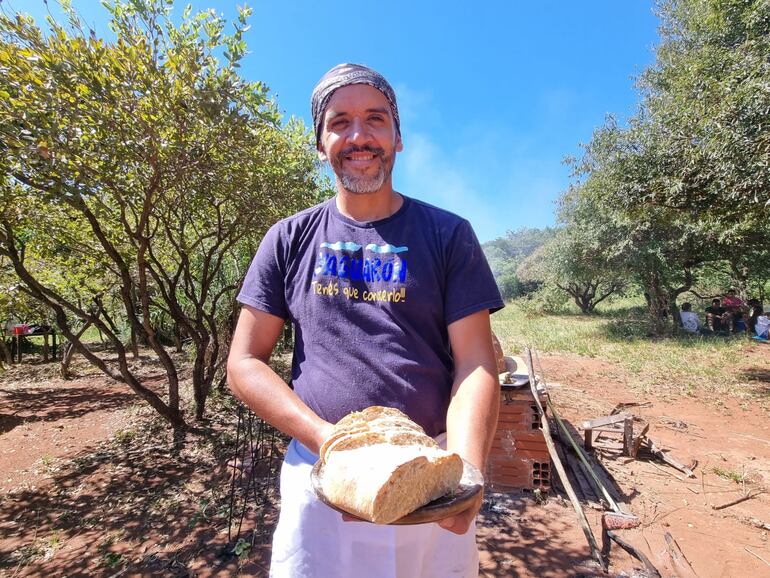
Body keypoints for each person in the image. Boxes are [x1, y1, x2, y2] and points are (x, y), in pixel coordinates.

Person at [227, 63, 504, 578]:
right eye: (339, 122)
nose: (359, 136)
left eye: (375, 119)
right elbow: (244, 362)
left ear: (398, 138)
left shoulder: (448, 235)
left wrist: (465, 470)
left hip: (431, 476)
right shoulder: (287, 238)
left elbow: (475, 363)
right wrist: (329, 441)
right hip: (323, 473)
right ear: (320, 143)